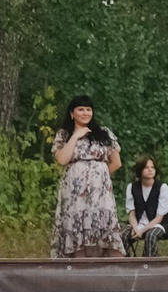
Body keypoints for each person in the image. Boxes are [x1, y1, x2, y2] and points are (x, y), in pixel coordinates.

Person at [50, 96, 126, 258]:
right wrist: (75, 136)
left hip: (100, 194)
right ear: (72, 113)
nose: (85, 113)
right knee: (77, 231)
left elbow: (116, 162)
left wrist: (97, 177)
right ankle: (80, 272)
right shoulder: (64, 134)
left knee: (106, 229)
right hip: (75, 195)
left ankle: (118, 274)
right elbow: (62, 159)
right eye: (81, 109)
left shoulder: (103, 133)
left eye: (88, 109)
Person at [123, 157, 168, 256]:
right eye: (146, 167)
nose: (150, 170)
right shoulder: (132, 187)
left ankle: (150, 265)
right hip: (140, 223)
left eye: (152, 167)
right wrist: (136, 228)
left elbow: (159, 217)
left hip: (161, 224)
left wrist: (142, 231)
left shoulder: (162, 188)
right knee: (124, 235)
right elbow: (132, 214)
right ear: (140, 170)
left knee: (151, 235)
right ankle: (126, 265)